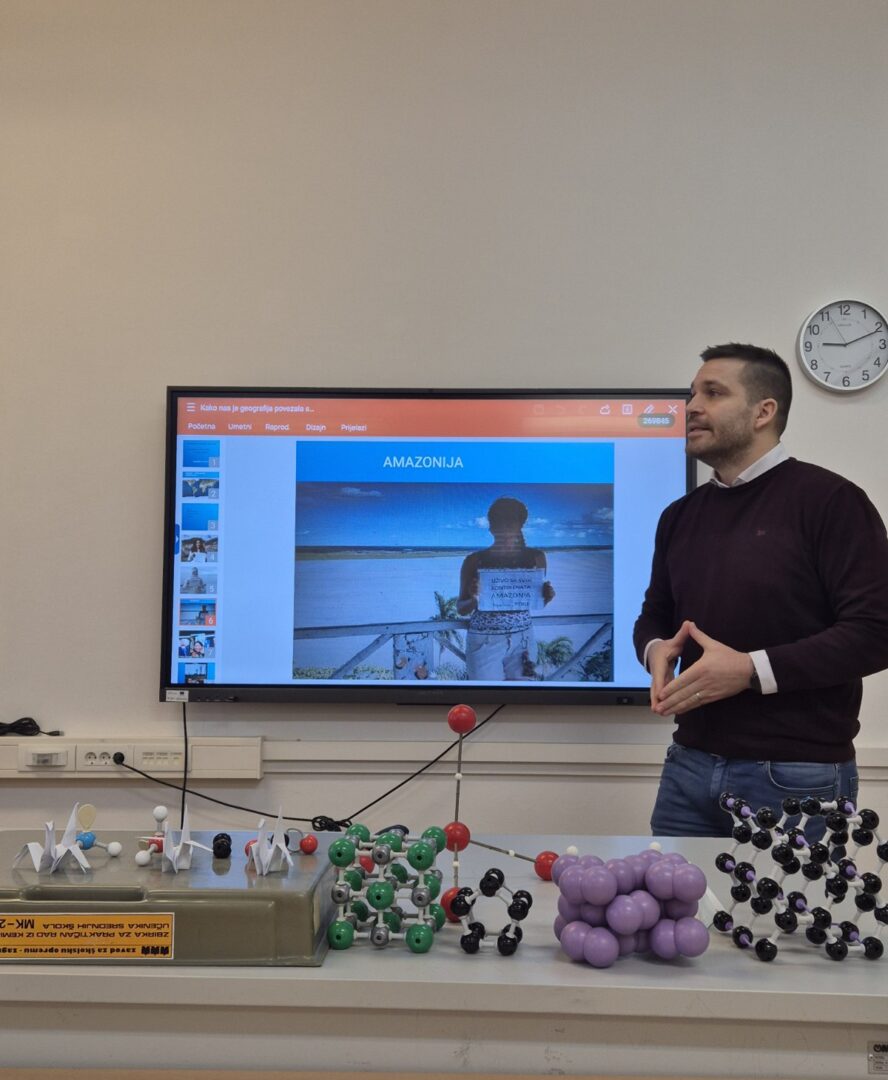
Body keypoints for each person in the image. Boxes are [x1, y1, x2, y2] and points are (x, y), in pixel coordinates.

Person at [633, 343, 888, 841]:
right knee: (673, 898)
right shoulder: (679, 516)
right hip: (687, 767)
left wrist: (750, 670)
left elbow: (877, 631)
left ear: (763, 412)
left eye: (713, 393)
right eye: (691, 394)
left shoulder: (833, 502)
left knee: (789, 902)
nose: (691, 407)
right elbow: (654, 614)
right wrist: (655, 648)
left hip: (797, 775)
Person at [458, 496, 555, 680]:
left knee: (524, 695)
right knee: (487, 695)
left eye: (510, 523)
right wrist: (474, 597)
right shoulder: (474, 561)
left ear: (520, 526)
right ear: (491, 528)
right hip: (484, 642)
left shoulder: (537, 558)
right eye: (499, 523)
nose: (505, 529)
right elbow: (461, 608)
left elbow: (536, 601)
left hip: (524, 640)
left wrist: (546, 597)